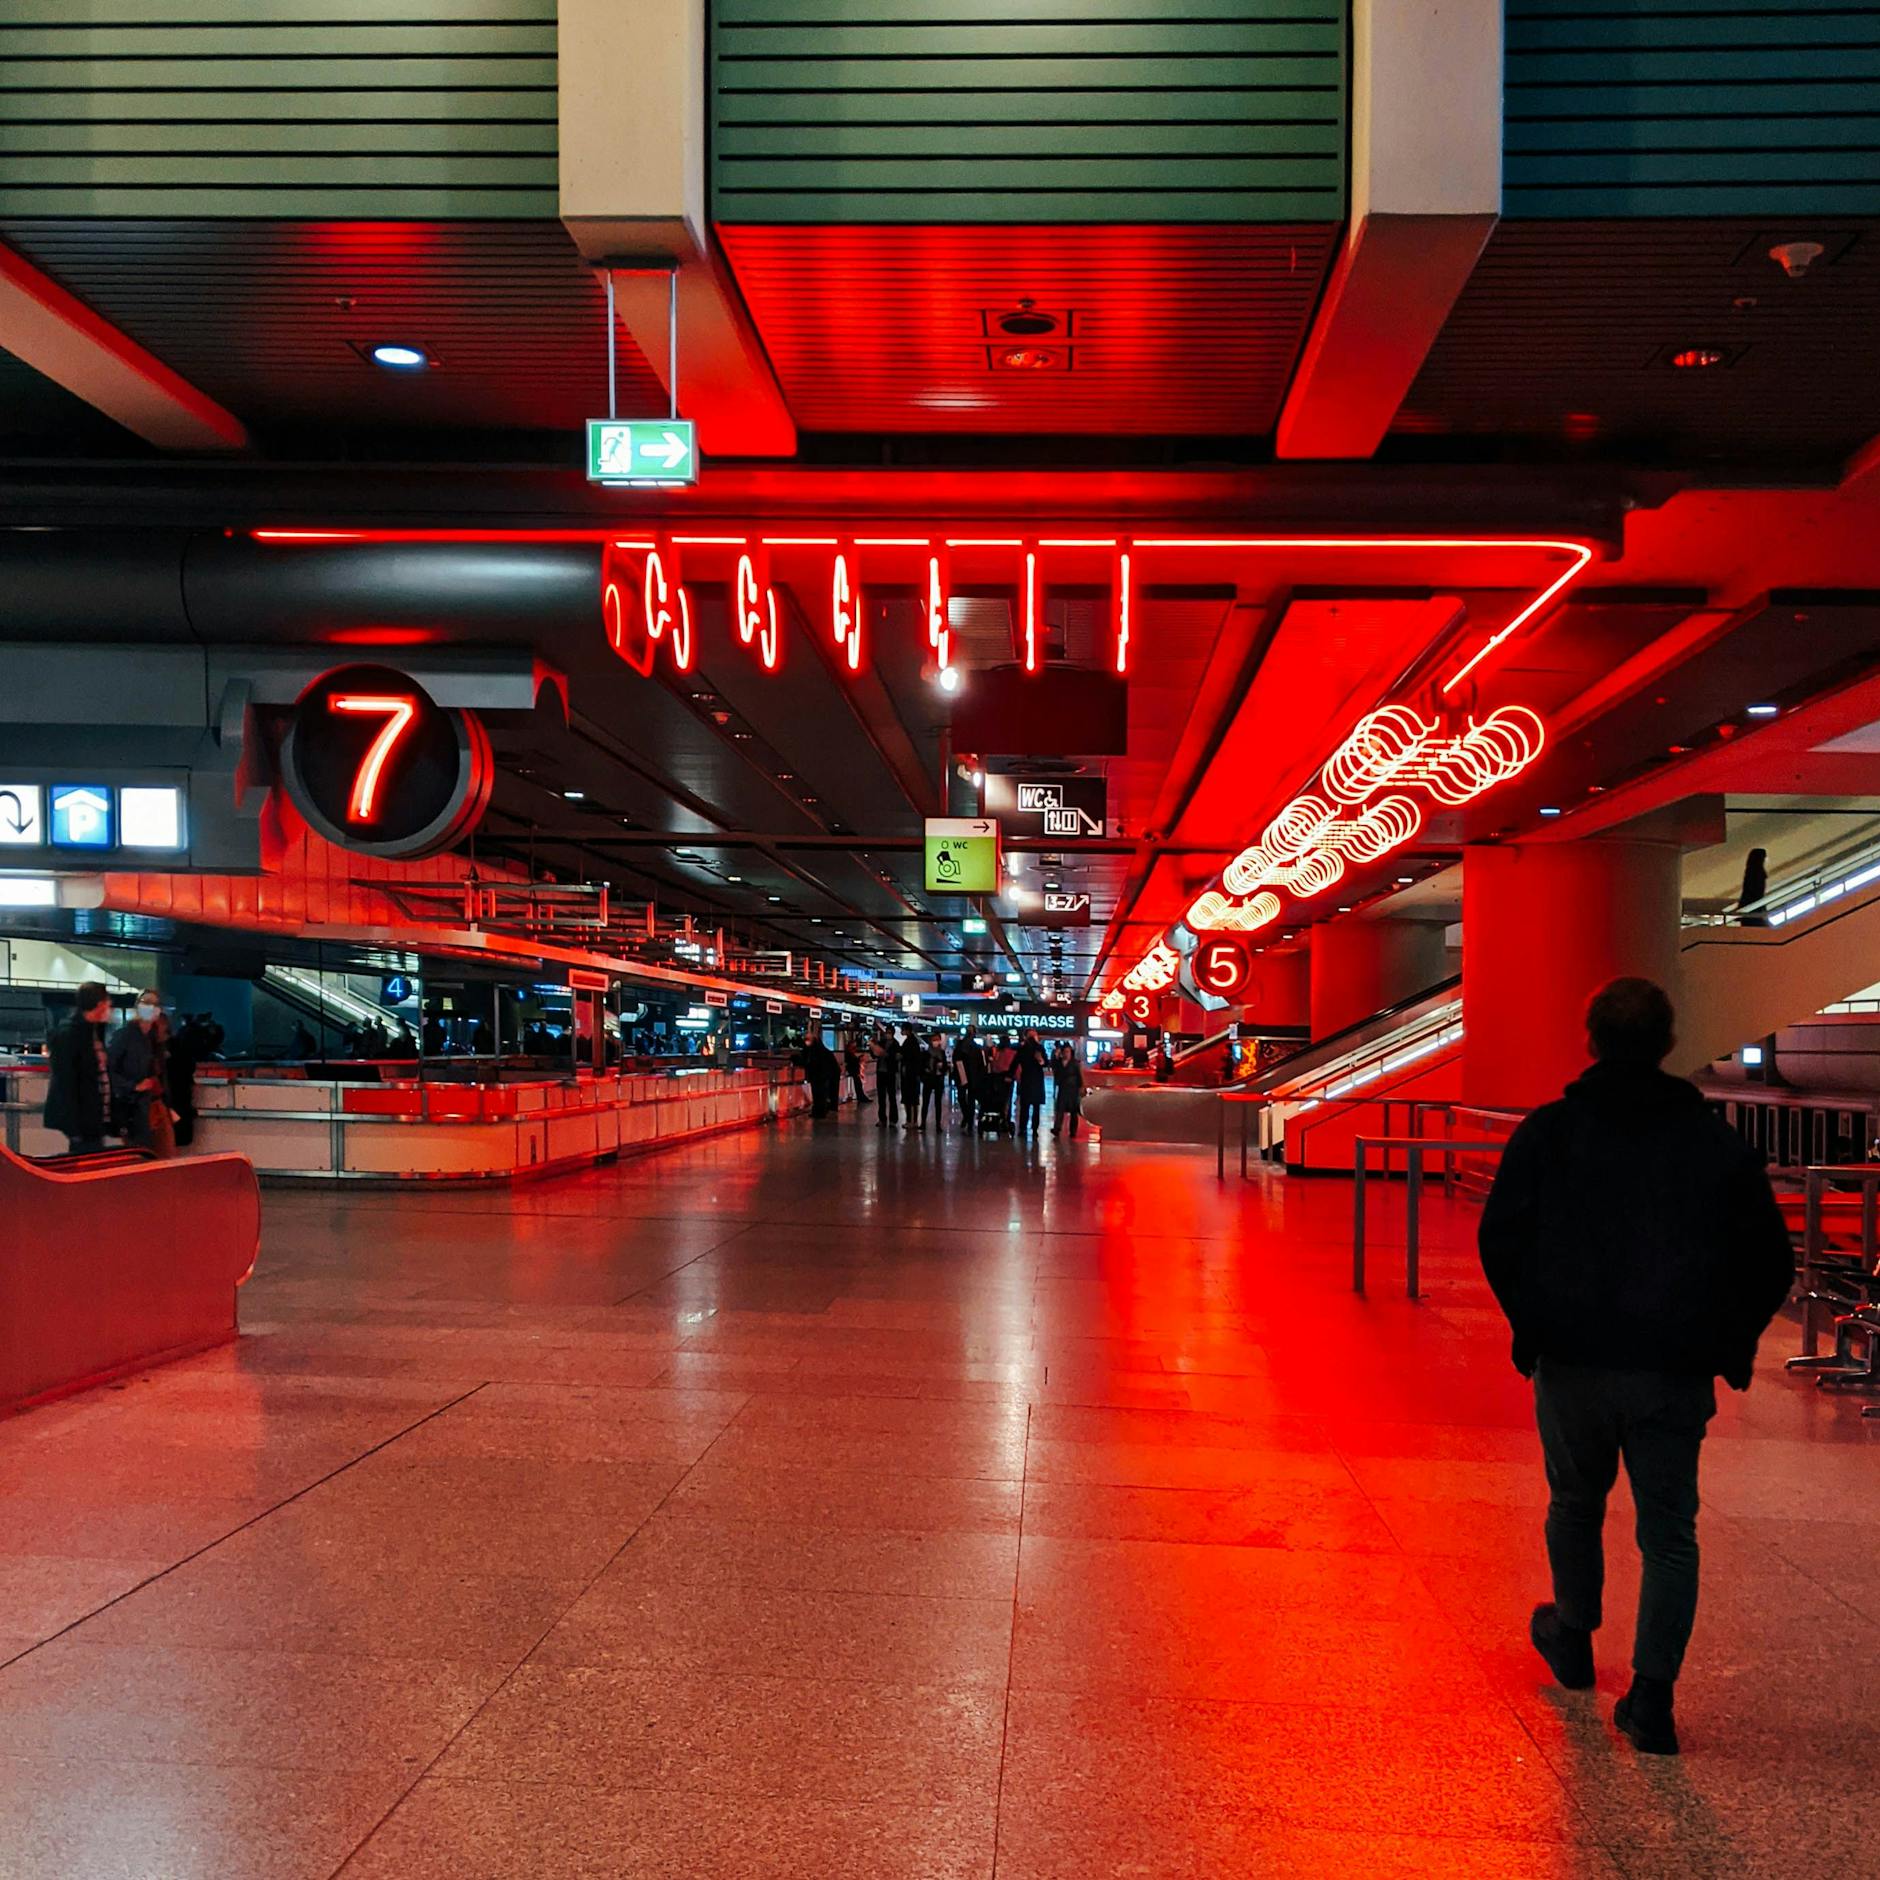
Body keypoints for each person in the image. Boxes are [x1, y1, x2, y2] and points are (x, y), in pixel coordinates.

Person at [1478, 978, 1795, 1756]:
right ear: (1668, 1044)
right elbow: (1770, 1261)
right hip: (1672, 1367)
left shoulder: (1549, 1135)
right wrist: (1729, 1341)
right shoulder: (1714, 1144)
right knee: (1669, 1532)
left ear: (1590, 1040)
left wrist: (1532, 1322)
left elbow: (1500, 1237)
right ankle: (1652, 1698)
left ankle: (1575, 1635)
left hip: (1575, 1358)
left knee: (1576, 1501)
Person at [43, 981, 113, 1154]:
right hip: (84, 1123)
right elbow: (65, 1083)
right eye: (107, 1002)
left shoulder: (91, 1031)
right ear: (99, 1004)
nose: (109, 1006)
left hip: (93, 1119)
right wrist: (74, 1129)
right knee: (86, 1165)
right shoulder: (71, 1035)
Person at [107, 987, 172, 1155]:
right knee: (142, 1155)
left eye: (154, 1004)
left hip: (154, 1105)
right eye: (146, 1003)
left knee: (162, 1155)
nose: (151, 1008)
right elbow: (109, 1070)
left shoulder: (154, 1038)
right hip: (134, 1109)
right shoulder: (125, 1036)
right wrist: (133, 1086)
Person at [1014, 1029, 1048, 1137]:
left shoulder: (1022, 1048)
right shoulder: (1039, 1048)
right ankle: (1034, 1129)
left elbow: (1015, 1062)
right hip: (1037, 1081)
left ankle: (1022, 1129)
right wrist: (1040, 1060)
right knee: (1036, 1107)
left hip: (1026, 1080)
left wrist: (1008, 1075)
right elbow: (1046, 1063)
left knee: (1025, 1107)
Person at [1052, 1041, 1086, 1140]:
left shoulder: (1075, 1064)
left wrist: (1081, 1087)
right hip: (1063, 1088)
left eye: (1068, 1052)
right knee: (1060, 1109)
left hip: (1073, 1089)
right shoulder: (1059, 1062)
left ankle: (1073, 1131)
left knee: (1073, 1111)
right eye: (1065, 1052)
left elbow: (1079, 1076)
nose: (1067, 1054)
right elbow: (1053, 1066)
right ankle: (1057, 1128)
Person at [954, 1029, 985, 1132]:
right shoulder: (977, 1048)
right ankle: (970, 1123)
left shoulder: (960, 1046)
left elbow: (956, 1061)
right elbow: (982, 1065)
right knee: (971, 1100)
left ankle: (967, 1118)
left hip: (962, 1075)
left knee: (962, 1097)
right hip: (973, 1077)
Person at [921, 1032, 949, 1130]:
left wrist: (942, 1068)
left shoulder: (942, 1053)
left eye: (937, 1039)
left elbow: (946, 1067)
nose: (936, 1042)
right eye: (934, 1040)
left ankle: (938, 1124)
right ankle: (923, 1122)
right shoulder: (926, 1053)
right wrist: (925, 1071)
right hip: (928, 1079)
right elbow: (922, 1066)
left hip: (938, 1079)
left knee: (938, 1103)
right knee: (925, 1102)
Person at [898, 1025, 925, 1129]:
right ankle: (913, 1121)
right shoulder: (914, 1041)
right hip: (913, 1075)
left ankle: (911, 1120)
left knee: (909, 1099)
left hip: (909, 1075)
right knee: (913, 1099)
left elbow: (906, 1056)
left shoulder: (910, 1042)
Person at [873, 1026, 900, 1128]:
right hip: (881, 1072)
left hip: (890, 1072)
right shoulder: (882, 1042)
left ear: (892, 1033)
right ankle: (882, 1119)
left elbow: (894, 1057)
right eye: (886, 1032)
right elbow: (875, 1054)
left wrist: (886, 1055)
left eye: (889, 1033)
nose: (887, 1034)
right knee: (881, 1097)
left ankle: (893, 1119)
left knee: (892, 1097)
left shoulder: (896, 1044)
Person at [1736, 847, 1769, 927]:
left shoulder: (1751, 871)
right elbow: (1754, 891)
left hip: (1751, 908)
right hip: (1755, 908)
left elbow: (1747, 891)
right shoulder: (1757, 872)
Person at [844, 1033, 867, 1105]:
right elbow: (851, 1062)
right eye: (854, 1047)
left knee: (859, 1084)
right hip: (853, 1070)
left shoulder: (849, 1053)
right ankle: (861, 1097)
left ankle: (861, 1097)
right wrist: (859, 1059)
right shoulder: (848, 1053)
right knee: (858, 1084)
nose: (855, 1048)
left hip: (854, 1070)